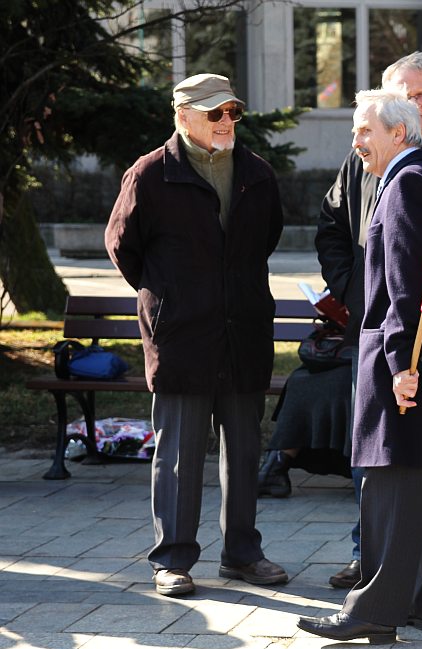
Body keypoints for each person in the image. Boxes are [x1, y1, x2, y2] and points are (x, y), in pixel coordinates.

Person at [263, 51, 422, 590]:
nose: (412, 102)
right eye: (400, 93)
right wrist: (355, 294)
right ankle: (371, 553)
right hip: (371, 333)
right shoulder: (366, 155)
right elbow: (332, 228)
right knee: (375, 455)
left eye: (420, 94)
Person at [295, 88, 422, 643]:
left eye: (363, 130)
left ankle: (373, 611)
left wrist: (403, 364)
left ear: (397, 133)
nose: (355, 140)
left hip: (411, 364)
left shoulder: (404, 186)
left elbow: (407, 286)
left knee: (393, 491)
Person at [105, 73, 289, 596]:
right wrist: (170, 295)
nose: (227, 121)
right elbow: (123, 246)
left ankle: (242, 554)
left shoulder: (257, 174)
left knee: (245, 449)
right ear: (182, 115)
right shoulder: (150, 175)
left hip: (244, 331)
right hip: (182, 334)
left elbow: (266, 238)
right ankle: (172, 560)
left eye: (232, 111)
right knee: (179, 454)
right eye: (215, 113)